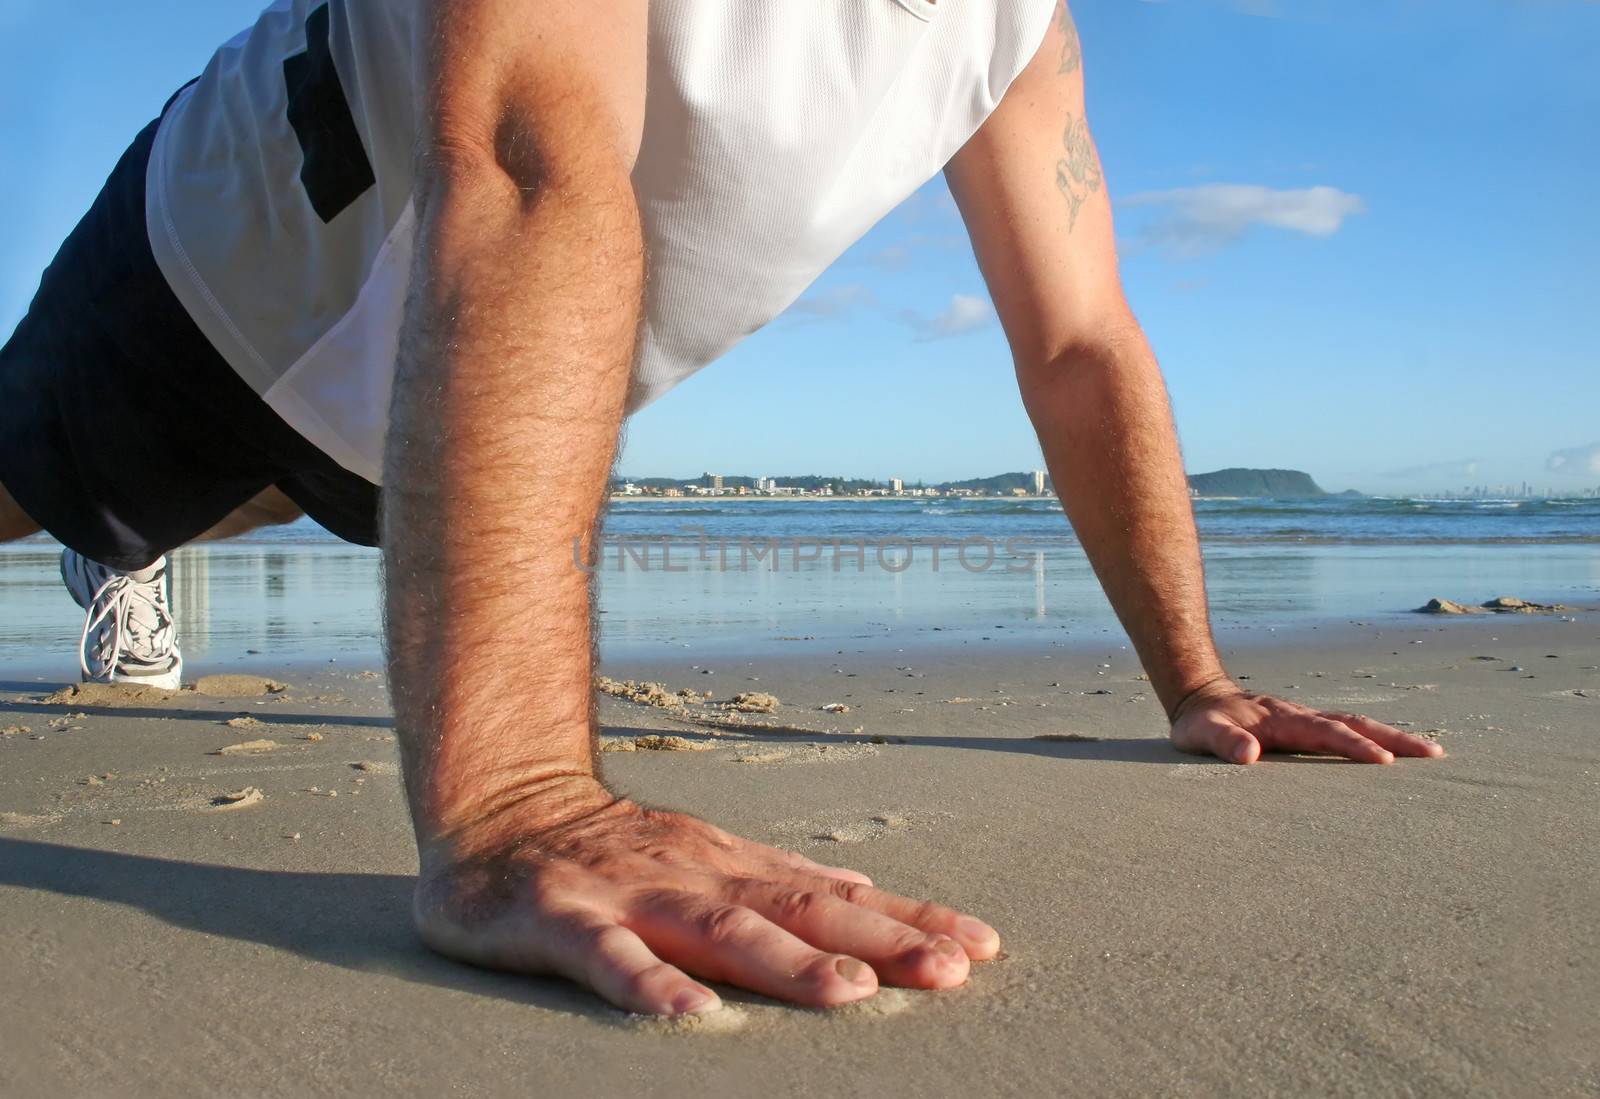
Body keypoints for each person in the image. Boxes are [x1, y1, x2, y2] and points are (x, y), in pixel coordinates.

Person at [0, 0, 1444, 1016]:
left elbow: (1080, 345)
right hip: (232, 277)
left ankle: (131, 554)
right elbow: (518, 157)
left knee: (261, 502)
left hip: (471, 407)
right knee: (56, 491)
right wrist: (516, 806)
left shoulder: (1024, 33)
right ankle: (105, 542)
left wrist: (1194, 676)